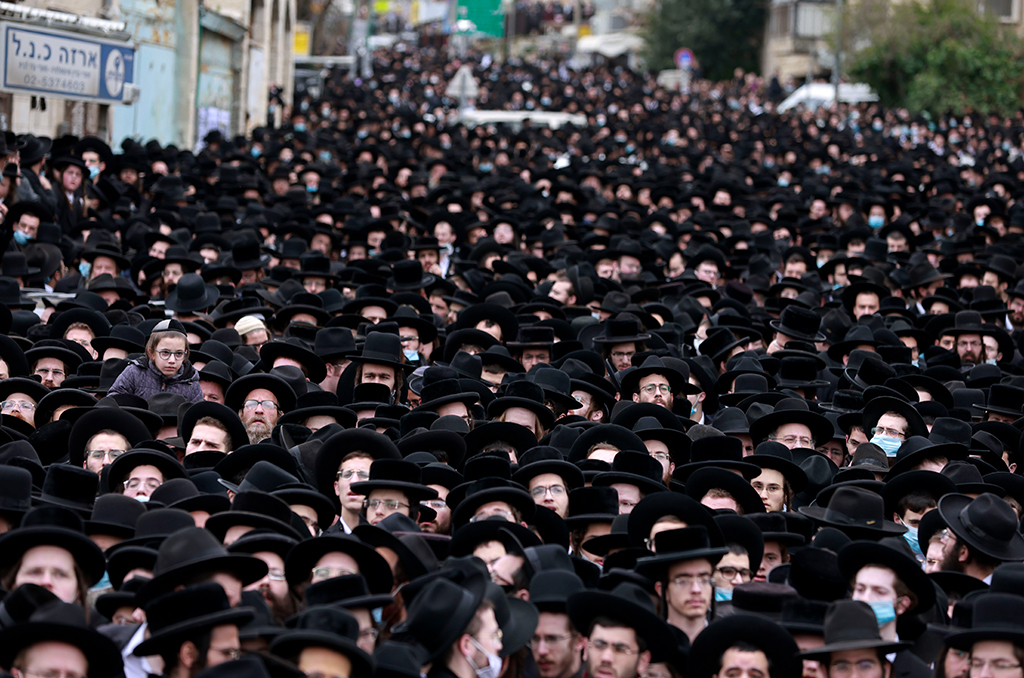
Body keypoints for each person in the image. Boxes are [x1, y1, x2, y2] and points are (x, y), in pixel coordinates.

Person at [107, 319, 203, 402]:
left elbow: (196, 416)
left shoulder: (191, 383)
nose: (172, 360)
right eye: (165, 352)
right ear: (151, 353)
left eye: (179, 353)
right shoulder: (135, 372)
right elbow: (113, 400)